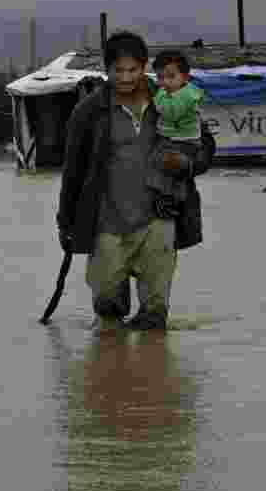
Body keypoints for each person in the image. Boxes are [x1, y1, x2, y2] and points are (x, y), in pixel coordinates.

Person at [56, 30, 214, 334]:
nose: (126, 77)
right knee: (107, 310)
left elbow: (203, 146)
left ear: (145, 68)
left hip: (159, 217)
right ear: (107, 70)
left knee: (155, 318)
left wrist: (186, 164)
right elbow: (73, 171)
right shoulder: (88, 112)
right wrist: (66, 223)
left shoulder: (173, 100)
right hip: (106, 222)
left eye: (133, 70)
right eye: (118, 70)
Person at [147, 50, 205, 215]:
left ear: (185, 77)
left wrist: (159, 100)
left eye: (171, 77)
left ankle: (169, 200)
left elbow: (171, 112)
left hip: (184, 142)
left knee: (166, 166)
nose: (165, 82)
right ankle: (168, 199)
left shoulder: (186, 95)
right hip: (172, 140)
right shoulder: (167, 93)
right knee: (160, 165)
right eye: (160, 77)